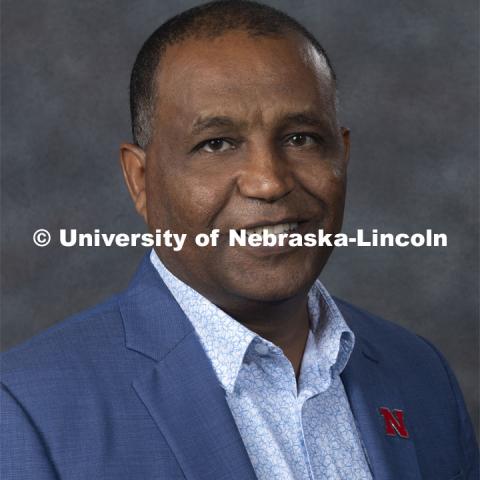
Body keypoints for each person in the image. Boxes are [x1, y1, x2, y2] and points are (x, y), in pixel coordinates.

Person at [1, 1, 478, 479]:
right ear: (140, 180)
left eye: (301, 138)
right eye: (217, 144)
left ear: (343, 155)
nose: (268, 182)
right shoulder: (27, 409)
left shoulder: (420, 374)